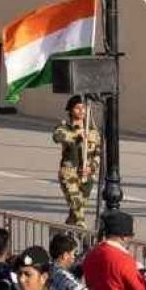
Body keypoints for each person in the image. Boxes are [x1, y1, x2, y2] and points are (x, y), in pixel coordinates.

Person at [51, 95, 101, 228]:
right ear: (71, 110)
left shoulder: (92, 131)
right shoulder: (65, 128)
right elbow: (57, 137)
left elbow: (98, 153)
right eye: (77, 108)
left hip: (86, 176)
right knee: (78, 209)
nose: (81, 111)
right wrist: (76, 134)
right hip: (69, 174)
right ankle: (84, 236)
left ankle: (62, 234)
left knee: (75, 212)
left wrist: (91, 168)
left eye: (83, 108)